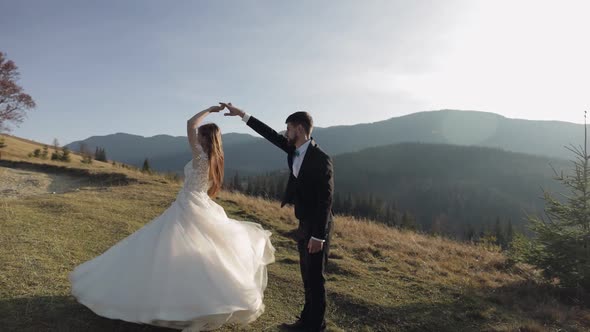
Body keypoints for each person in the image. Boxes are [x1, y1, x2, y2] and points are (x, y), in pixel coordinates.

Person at [69, 105, 275, 332]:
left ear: (206, 139)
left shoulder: (200, 156)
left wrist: (210, 109)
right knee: (198, 252)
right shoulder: (216, 160)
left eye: (199, 136)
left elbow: (190, 123)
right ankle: (198, 300)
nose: (195, 137)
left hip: (188, 205)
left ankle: (170, 301)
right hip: (200, 204)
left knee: (166, 247)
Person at [222, 102, 334, 332]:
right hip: (304, 222)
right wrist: (242, 114)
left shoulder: (320, 159)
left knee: (315, 277)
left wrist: (319, 236)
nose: (286, 133)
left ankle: (316, 326)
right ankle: (307, 320)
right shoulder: (294, 149)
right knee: (306, 275)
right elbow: (269, 134)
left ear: (300, 129)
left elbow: (326, 200)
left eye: (289, 129)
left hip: (317, 227)